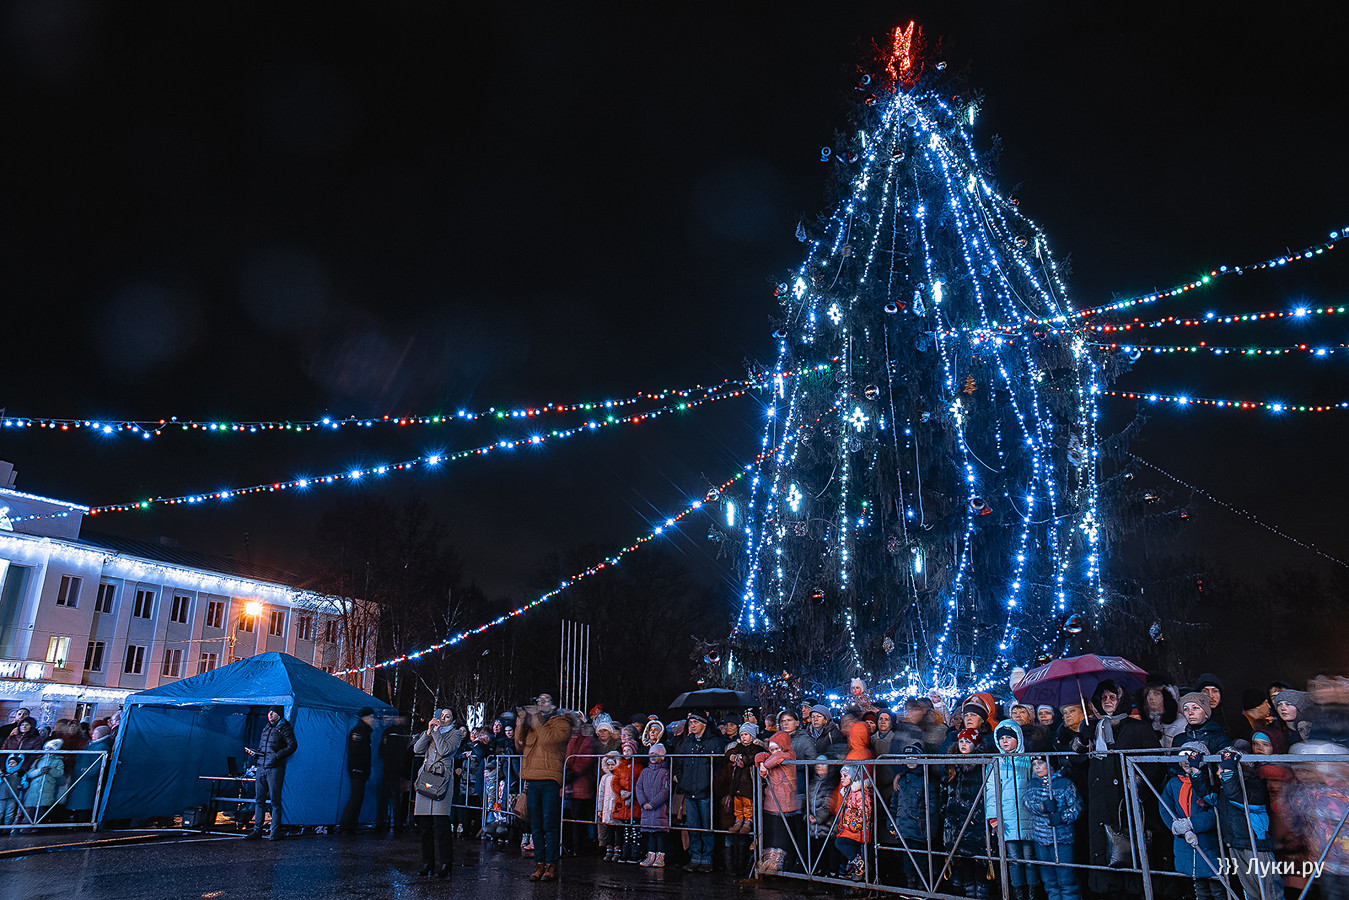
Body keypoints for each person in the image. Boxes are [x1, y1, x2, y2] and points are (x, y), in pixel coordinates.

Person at [1083, 683, 1159, 899]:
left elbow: (1155, 764)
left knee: (1127, 847)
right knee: (1102, 847)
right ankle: (1105, 888)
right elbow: (1080, 762)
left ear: (1121, 700)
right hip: (1100, 799)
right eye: (1103, 697)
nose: (1107, 701)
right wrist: (1081, 742)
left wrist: (1136, 786)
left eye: (1112, 697)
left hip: (1127, 800)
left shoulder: (1138, 728)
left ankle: (1133, 890)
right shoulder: (1094, 728)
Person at [515, 693, 577, 882]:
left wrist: (535, 720)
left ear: (554, 705)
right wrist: (521, 722)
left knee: (549, 823)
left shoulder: (562, 723)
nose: (540, 703)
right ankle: (539, 863)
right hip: (532, 778)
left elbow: (548, 740)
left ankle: (551, 863)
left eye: (545, 700)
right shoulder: (534, 724)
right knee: (535, 824)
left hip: (550, 778)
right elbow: (519, 744)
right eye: (538, 700)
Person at [1211, 747, 1282, 900]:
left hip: (1256, 844)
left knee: (1269, 891)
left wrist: (1228, 772)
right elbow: (1207, 795)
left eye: (1222, 769)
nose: (1218, 773)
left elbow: (1237, 797)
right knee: (1249, 891)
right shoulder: (1225, 787)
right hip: (1235, 843)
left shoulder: (1255, 785)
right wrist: (1195, 772)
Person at [985, 719, 1037, 900]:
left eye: (1009, 737)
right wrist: (993, 817)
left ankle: (1033, 893)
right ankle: (1018, 893)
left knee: (1030, 859)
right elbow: (991, 791)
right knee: (1013, 859)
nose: (1004, 741)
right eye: (1001, 738)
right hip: (1006, 819)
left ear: (1018, 738)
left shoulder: (1028, 760)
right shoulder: (996, 762)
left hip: (1028, 817)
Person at [1162, 743, 1222, 900]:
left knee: (1218, 887)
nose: (1186, 761)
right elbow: (1165, 808)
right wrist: (1177, 826)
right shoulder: (1174, 783)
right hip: (1185, 844)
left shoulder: (1209, 783)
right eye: (1182, 757)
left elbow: (1216, 813)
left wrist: (1192, 824)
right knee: (1199, 889)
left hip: (1207, 842)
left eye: (1191, 756)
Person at [1021, 755, 1082, 900]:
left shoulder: (1064, 783)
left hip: (1062, 838)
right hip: (1041, 838)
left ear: (1051, 764)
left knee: (1066, 880)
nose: (1037, 767)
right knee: (1049, 881)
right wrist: (1041, 807)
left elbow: (1077, 806)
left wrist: (1062, 817)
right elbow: (1026, 802)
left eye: (1041, 763)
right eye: (1034, 764)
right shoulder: (1032, 784)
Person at [413, 708, 464, 877]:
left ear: (453, 721)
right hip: (426, 779)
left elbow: (444, 751)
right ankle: (427, 863)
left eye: (447, 716)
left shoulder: (455, 734)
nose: (443, 718)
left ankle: (445, 864)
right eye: (441, 716)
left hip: (442, 780)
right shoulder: (432, 732)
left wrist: (436, 733)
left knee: (441, 825)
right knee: (424, 826)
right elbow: (417, 749)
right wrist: (428, 733)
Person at [673, 711, 725, 873]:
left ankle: (707, 858)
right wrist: (683, 781)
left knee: (707, 827)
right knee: (693, 826)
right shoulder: (687, 743)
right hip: (690, 789)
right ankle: (695, 857)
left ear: (704, 723)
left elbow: (719, 766)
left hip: (706, 791)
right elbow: (680, 764)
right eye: (691, 723)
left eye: (695, 722)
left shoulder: (714, 742)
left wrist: (710, 783)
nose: (692, 725)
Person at [942, 729, 990, 899]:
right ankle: (969, 893)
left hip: (976, 817)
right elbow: (944, 789)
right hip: (955, 818)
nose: (963, 745)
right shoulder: (952, 764)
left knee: (979, 857)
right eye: (961, 741)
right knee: (962, 857)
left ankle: (981, 893)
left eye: (968, 742)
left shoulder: (982, 764)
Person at [887, 743, 940, 890]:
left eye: (914, 757)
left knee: (922, 860)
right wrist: (891, 823)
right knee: (907, 860)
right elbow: (894, 803)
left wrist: (931, 830)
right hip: (904, 828)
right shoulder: (901, 780)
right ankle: (911, 887)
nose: (910, 761)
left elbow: (933, 808)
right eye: (907, 757)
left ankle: (923, 888)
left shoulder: (927, 781)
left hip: (919, 829)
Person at [243, 706, 298, 841]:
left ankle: (274, 832)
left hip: (275, 768)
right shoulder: (267, 728)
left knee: (275, 801)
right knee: (259, 800)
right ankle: (257, 830)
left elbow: (292, 745)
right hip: (261, 766)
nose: (270, 715)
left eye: (273, 712)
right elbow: (263, 747)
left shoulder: (284, 728)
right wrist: (256, 753)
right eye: (269, 712)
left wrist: (277, 755)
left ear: (279, 714)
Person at [756, 728, 800, 875]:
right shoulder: (771, 756)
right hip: (772, 801)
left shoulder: (789, 755)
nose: (774, 752)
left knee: (782, 835)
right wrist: (761, 763)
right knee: (773, 833)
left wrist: (764, 765)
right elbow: (759, 755)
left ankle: (779, 864)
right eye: (772, 749)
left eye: (777, 748)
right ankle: (769, 861)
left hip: (786, 802)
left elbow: (776, 758)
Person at [337, 706, 377, 834]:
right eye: (371, 717)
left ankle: (350, 824)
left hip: (360, 770)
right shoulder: (359, 732)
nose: (372, 719)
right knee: (355, 798)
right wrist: (360, 768)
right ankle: (346, 825)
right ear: (365, 718)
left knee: (358, 798)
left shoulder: (363, 731)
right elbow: (356, 753)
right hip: (357, 770)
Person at [635, 743, 672, 867]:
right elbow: (639, 787)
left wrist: (653, 803)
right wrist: (643, 802)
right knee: (650, 833)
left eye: (656, 754)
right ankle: (650, 856)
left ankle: (660, 856)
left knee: (659, 833)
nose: (653, 756)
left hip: (659, 809)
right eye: (651, 754)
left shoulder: (664, 772)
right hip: (646, 808)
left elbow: (665, 790)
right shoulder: (645, 771)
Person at [834, 765, 873, 881]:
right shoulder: (849, 792)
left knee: (839, 842)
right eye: (841, 776)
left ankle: (860, 864)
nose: (842, 778)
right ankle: (855, 869)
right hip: (850, 829)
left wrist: (854, 826)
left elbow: (864, 812)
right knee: (843, 844)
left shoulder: (859, 793)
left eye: (845, 776)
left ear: (853, 777)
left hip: (858, 830)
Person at [21, 738, 65, 826]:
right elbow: (30, 773)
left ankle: (37, 826)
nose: (48, 750)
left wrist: (51, 770)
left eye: (51, 749)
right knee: (30, 809)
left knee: (42, 809)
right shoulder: (38, 760)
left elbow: (59, 773)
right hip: (34, 788)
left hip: (47, 788)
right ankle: (27, 826)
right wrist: (40, 771)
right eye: (47, 748)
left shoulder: (58, 761)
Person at [597, 752, 622, 860]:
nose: (611, 767)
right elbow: (601, 793)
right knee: (609, 829)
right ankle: (609, 849)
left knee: (618, 829)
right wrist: (600, 808)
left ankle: (617, 849)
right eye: (609, 765)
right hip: (607, 807)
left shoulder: (620, 776)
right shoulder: (605, 778)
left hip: (617, 806)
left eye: (613, 764)